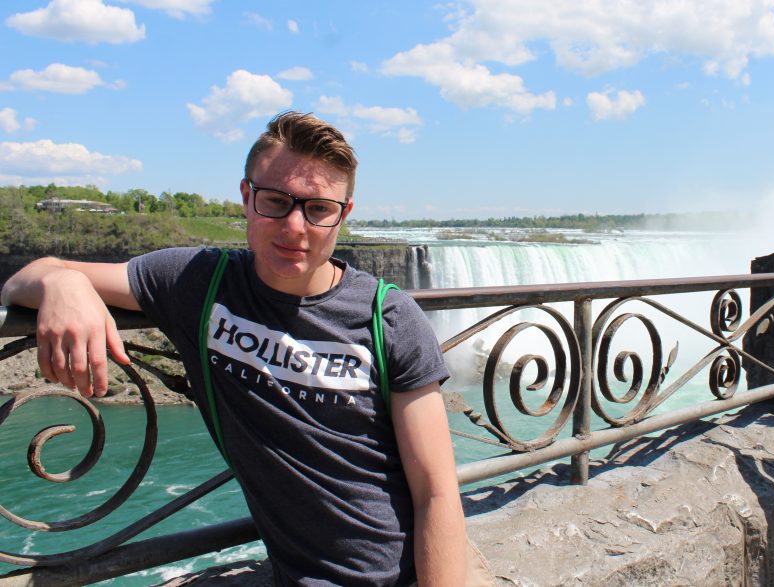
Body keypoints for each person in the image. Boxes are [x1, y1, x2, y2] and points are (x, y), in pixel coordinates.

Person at [0, 111, 467, 586]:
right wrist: (63, 283)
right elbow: (23, 280)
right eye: (276, 201)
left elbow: (436, 493)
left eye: (318, 208)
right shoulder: (199, 282)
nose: (294, 226)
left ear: (343, 215)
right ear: (247, 197)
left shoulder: (388, 317)